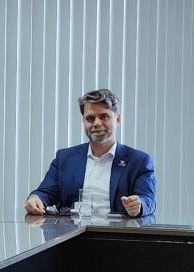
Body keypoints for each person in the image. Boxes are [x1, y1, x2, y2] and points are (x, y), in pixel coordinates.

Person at [23, 89, 156, 217]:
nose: (97, 123)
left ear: (118, 119)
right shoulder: (64, 158)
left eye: (104, 116)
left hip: (116, 235)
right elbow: (45, 192)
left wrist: (139, 205)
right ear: (83, 121)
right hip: (72, 235)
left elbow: (148, 200)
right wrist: (35, 199)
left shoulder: (139, 161)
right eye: (90, 118)